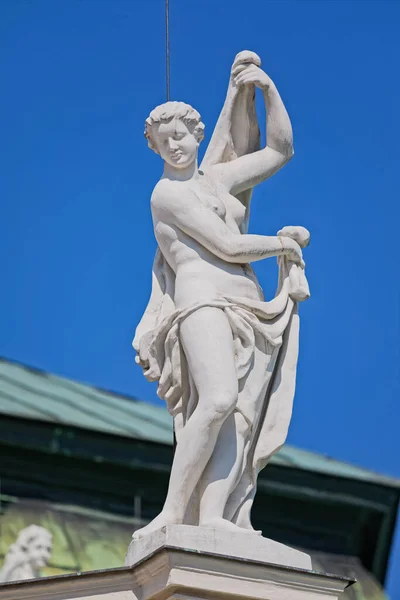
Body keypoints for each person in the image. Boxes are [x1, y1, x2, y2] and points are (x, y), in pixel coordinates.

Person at [132, 51, 310, 539]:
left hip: (245, 300)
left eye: (181, 136)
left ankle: (212, 516)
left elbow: (280, 151)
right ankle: (172, 513)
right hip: (202, 297)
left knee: (240, 415)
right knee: (216, 400)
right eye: (163, 141)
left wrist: (267, 90)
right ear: (154, 147)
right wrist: (282, 242)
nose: (174, 147)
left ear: (197, 134)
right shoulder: (166, 195)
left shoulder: (218, 179)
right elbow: (228, 245)